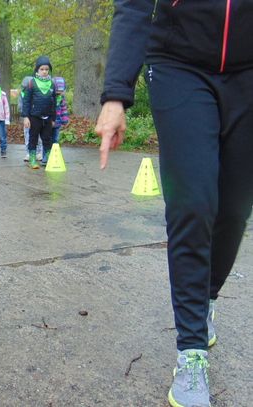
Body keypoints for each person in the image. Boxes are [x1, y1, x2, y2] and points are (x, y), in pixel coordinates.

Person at [95, 2, 253, 406]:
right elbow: (133, 6)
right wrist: (116, 94)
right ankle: (191, 352)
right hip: (179, 64)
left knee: (234, 209)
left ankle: (206, 299)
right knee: (192, 204)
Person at [22, 56, 56, 169]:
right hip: (34, 117)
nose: (44, 71)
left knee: (47, 139)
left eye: (47, 69)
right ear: (37, 70)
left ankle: (48, 159)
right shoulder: (32, 83)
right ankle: (32, 159)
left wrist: (53, 118)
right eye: (42, 69)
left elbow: (54, 102)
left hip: (47, 118)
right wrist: (26, 117)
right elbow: (26, 101)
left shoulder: (52, 84)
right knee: (33, 138)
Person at [52, 77, 69, 145]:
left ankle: (55, 150)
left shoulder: (61, 98)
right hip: (49, 123)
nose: (59, 93)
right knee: (48, 139)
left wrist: (65, 120)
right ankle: (47, 151)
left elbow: (63, 109)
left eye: (61, 91)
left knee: (56, 139)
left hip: (58, 122)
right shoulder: (49, 97)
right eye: (57, 91)